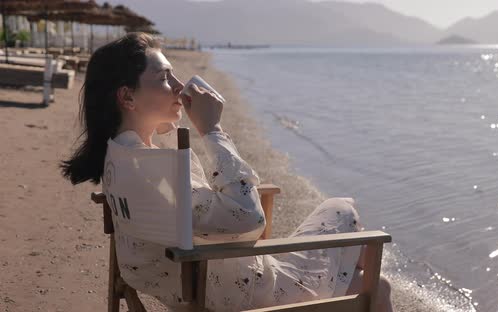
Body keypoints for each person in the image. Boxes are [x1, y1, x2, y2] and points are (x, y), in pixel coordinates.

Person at [61, 32, 393, 311]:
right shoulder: (156, 171)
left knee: (368, 275)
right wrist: (212, 129)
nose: (179, 86)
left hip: (193, 282)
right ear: (127, 97)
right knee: (346, 217)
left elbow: (212, 217)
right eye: (164, 78)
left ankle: (349, 282)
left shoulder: (118, 158)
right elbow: (250, 220)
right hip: (244, 290)